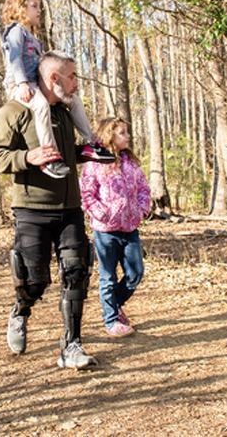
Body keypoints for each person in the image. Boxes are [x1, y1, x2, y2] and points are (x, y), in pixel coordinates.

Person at [0, 51, 99, 370]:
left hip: (70, 209)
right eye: (72, 77)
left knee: (77, 274)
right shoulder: (15, 110)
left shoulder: (64, 113)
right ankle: (20, 311)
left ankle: (72, 346)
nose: (76, 83)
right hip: (32, 210)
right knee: (35, 281)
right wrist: (27, 157)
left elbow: (65, 155)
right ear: (54, 78)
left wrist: (89, 152)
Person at [1, 0, 114, 179]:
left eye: (39, 6)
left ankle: (91, 143)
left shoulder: (34, 39)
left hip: (35, 84)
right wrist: (21, 84)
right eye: (34, 6)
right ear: (20, 8)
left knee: (74, 101)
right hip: (20, 84)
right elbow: (14, 59)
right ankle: (50, 156)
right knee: (41, 106)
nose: (39, 11)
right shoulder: (15, 31)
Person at [79, 118, 151, 337]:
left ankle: (114, 304)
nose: (127, 136)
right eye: (122, 133)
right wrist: (103, 213)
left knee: (135, 273)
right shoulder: (95, 163)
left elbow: (143, 189)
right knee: (107, 277)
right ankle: (111, 320)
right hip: (105, 231)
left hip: (130, 228)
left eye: (127, 132)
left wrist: (141, 210)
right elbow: (86, 194)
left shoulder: (131, 162)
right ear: (109, 136)